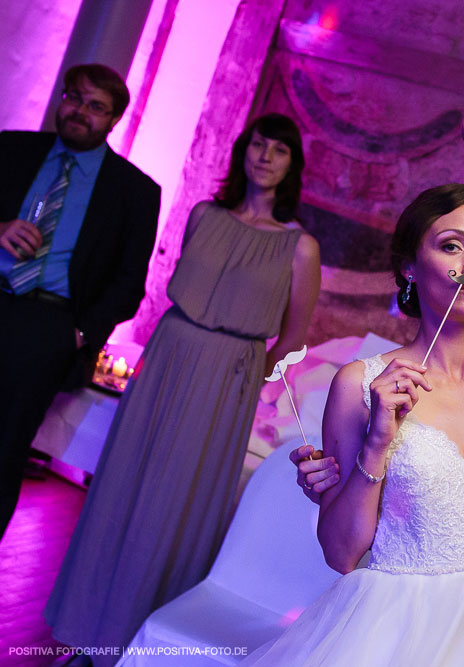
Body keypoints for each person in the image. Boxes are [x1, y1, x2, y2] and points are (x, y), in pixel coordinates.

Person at [246, 87, 464, 666]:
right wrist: (377, 440)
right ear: (408, 266)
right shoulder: (360, 383)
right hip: (395, 634)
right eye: (453, 246)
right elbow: (342, 553)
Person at [44, 112, 321, 665]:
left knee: (177, 502)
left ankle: (142, 641)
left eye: (279, 150)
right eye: (258, 145)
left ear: (292, 166)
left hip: (229, 372)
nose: (265, 156)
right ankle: (85, 636)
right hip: (169, 353)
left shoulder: (299, 247)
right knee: (123, 486)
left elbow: (292, 336)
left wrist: (244, 373)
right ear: (244, 151)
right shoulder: (204, 214)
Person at [0, 63, 160, 542]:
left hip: (48, 326)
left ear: (113, 120)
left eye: (96, 107)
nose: (79, 111)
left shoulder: (134, 191)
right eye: (74, 97)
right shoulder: (9, 148)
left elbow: (130, 283)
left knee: (6, 449)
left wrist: (80, 334)